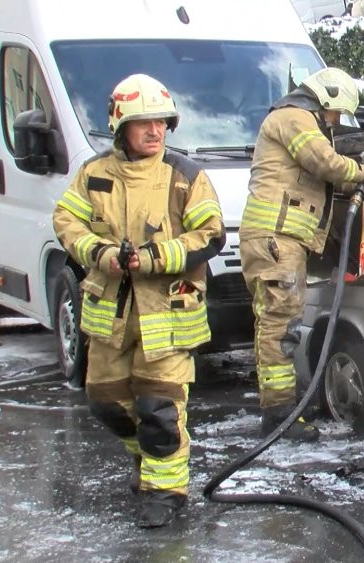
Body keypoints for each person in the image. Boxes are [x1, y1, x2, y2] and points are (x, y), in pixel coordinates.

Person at [53, 74, 225, 528]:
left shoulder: (184, 176)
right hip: (111, 313)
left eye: (162, 122)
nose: (155, 131)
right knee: (105, 402)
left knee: (159, 409)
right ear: (120, 127)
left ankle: (164, 492)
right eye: (143, 122)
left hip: (166, 315)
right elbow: (66, 221)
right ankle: (150, 459)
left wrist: (152, 258)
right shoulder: (94, 175)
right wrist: (100, 253)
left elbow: (210, 235)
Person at [240, 67, 364, 439]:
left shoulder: (298, 119)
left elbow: (336, 180)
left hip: (280, 240)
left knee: (278, 326)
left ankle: (278, 412)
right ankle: (278, 417)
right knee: (279, 328)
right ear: (328, 98)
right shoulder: (293, 118)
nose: (336, 122)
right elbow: (326, 164)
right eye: (337, 113)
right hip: (276, 240)